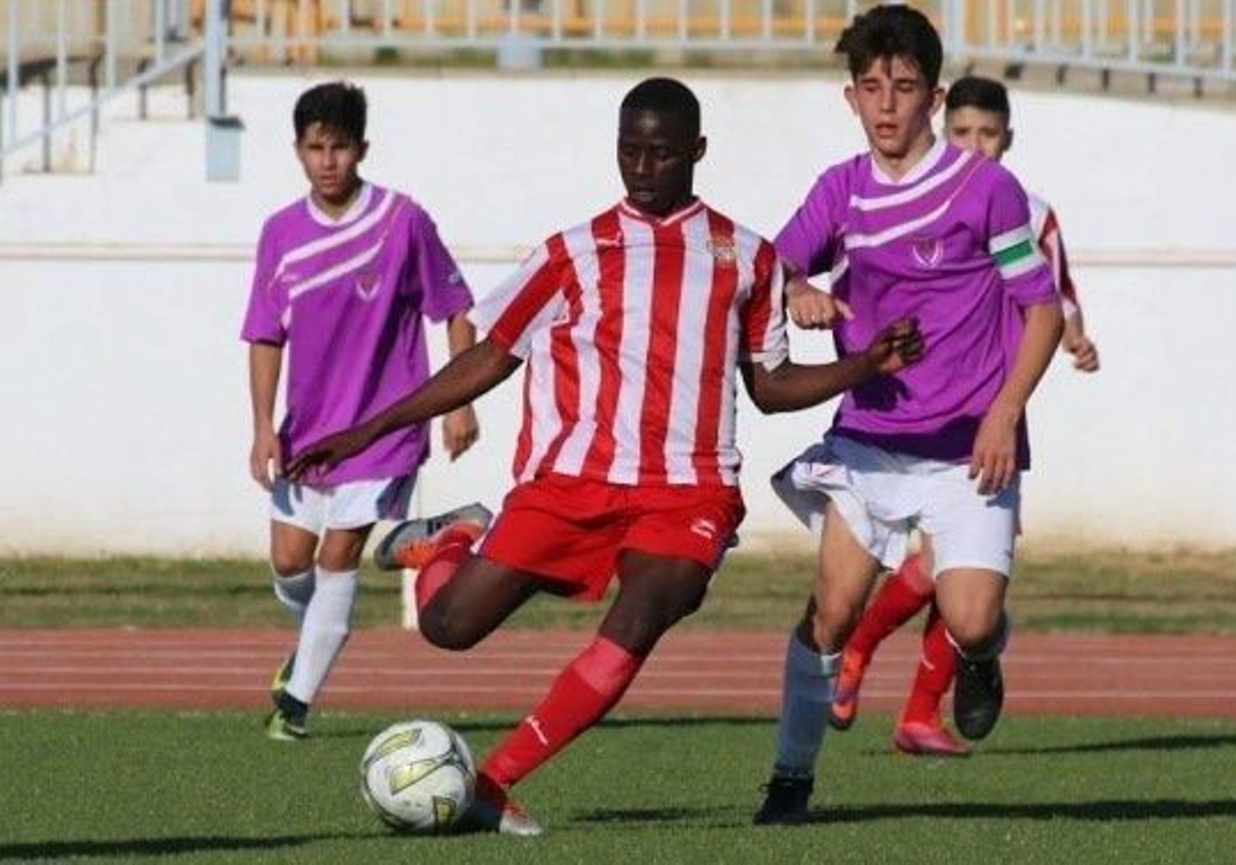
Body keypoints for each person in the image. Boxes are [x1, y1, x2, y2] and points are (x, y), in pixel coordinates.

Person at [284, 77, 925, 837]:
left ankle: (494, 780)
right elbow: (489, 357)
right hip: (571, 481)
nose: (643, 167)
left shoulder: (747, 259)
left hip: (689, 489)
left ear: (697, 152)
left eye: (661, 152)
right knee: (448, 628)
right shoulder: (569, 255)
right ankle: (455, 538)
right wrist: (369, 428)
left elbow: (770, 385)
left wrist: (862, 367)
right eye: (630, 151)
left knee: (653, 605)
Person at [755, 6, 1065, 825]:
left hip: (970, 444)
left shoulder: (984, 189)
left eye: (903, 87)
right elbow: (772, 265)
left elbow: (1042, 311)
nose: (886, 104)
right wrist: (797, 288)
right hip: (871, 440)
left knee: (970, 617)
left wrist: (1005, 413)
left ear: (932, 95)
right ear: (849, 97)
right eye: (870, 87)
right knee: (833, 608)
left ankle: (982, 654)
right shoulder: (840, 190)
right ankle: (790, 777)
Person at [828, 74, 1102, 758]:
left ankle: (918, 693)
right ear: (942, 126)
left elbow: (1054, 295)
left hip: (990, 413)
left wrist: (1073, 337)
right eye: (963, 134)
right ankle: (891, 679)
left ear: (1007, 140)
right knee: (938, 569)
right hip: (908, 414)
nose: (975, 146)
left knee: (959, 586)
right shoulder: (901, 200)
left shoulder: (1025, 210)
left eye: (989, 135)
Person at [242, 80, 481, 742]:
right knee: (291, 564)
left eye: (340, 147)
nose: (327, 161)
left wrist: (458, 401)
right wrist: (264, 425)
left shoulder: (402, 222)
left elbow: (457, 309)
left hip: (383, 432)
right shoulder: (280, 234)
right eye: (315, 147)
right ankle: (316, 638)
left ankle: (294, 707)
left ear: (362, 148)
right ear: (297, 150)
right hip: (308, 434)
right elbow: (265, 334)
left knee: (338, 555)